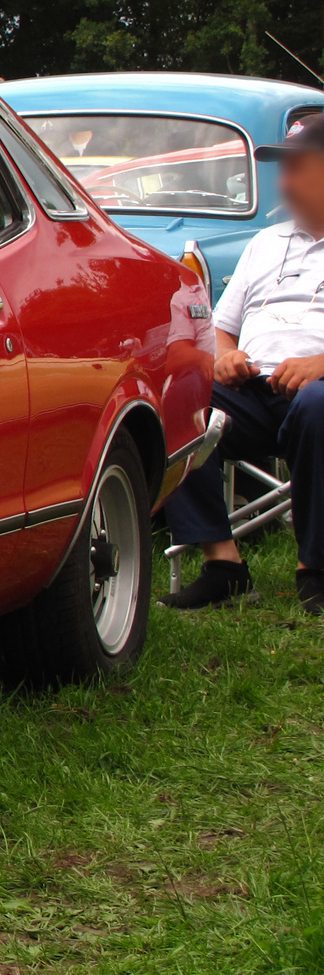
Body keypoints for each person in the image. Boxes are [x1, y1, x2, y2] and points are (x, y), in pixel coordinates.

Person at [162, 114, 324, 615]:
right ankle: (224, 566)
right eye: (283, 169)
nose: (284, 182)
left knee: (320, 403)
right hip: (255, 389)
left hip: (318, 394)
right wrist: (227, 355)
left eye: (297, 168)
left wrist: (320, 363)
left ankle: (315, 570)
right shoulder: (264, 244)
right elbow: (222, 327)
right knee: (177, 393)